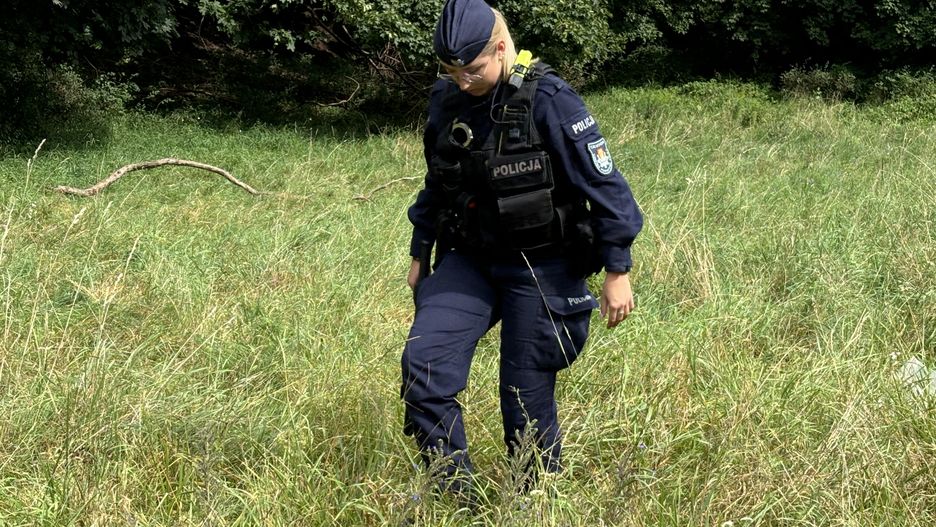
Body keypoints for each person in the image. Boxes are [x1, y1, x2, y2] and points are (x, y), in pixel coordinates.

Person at [401, 0, 642, 495]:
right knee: (424, 367)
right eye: (450, 71)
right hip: (470, 258)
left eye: (472, 70)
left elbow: (608, 188)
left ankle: (533, 499)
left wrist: (617, 270)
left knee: (523, 394)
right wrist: (420, 252)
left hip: (542, 264)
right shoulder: (448, 99)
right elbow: (437, 182)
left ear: (500, 47)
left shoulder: (549, 100)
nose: (462, 81)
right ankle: (455, 496)